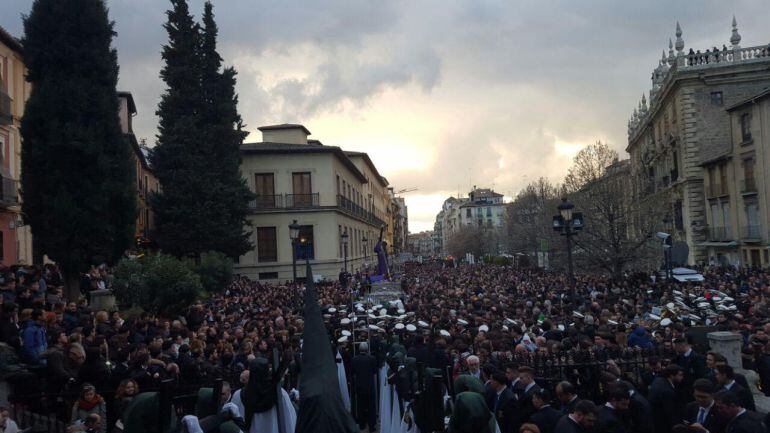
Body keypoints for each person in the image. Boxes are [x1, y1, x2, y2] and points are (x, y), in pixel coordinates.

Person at [649, 364, 685, 433]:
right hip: (662, 425)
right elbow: (670, 413)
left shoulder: (658, 380)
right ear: (672, 375)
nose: (682, 377)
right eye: (680, 375)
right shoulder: (667, 391)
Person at [351, 342, 377, 432]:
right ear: (367, 349)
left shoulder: (354, 359)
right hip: (369, 386)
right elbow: (375, 371)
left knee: (360, 406)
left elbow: (353, 372)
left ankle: (362, 424)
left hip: (359, 386)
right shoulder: (372, 359)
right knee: (371, 407)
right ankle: (371, 426)